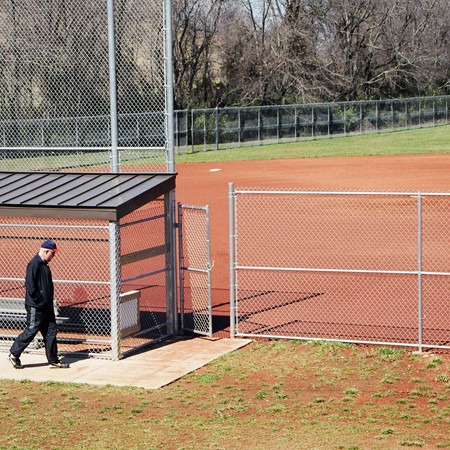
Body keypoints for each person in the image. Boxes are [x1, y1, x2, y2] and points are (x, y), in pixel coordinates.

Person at [8, 240, 69, 369]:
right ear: (46, 251)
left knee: (51, 331)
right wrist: (39, 299)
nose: (54, 256)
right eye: (53, 253)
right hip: (36, 306)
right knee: (31, 330)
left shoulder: (44, 264)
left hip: (46, 307)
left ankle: (53, 359)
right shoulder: (34, 264)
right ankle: (14, 354)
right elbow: (30, 286)